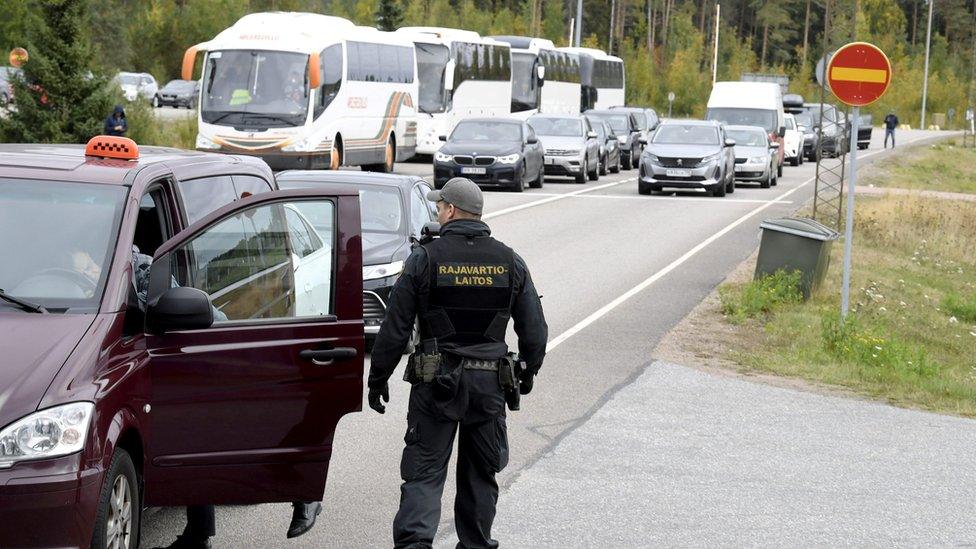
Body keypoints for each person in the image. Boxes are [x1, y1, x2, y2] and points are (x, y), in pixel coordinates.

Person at [367, 177, 548, 548]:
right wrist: (529, 369)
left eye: (439, 207)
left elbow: (395, 327)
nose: (438, 212)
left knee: (424, 475)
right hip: (489, 387)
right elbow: (535, 330)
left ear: (449, 210)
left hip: (437, 384)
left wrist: (377, 378)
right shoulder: (510, 260)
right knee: (480, 475)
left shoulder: (423, 259)